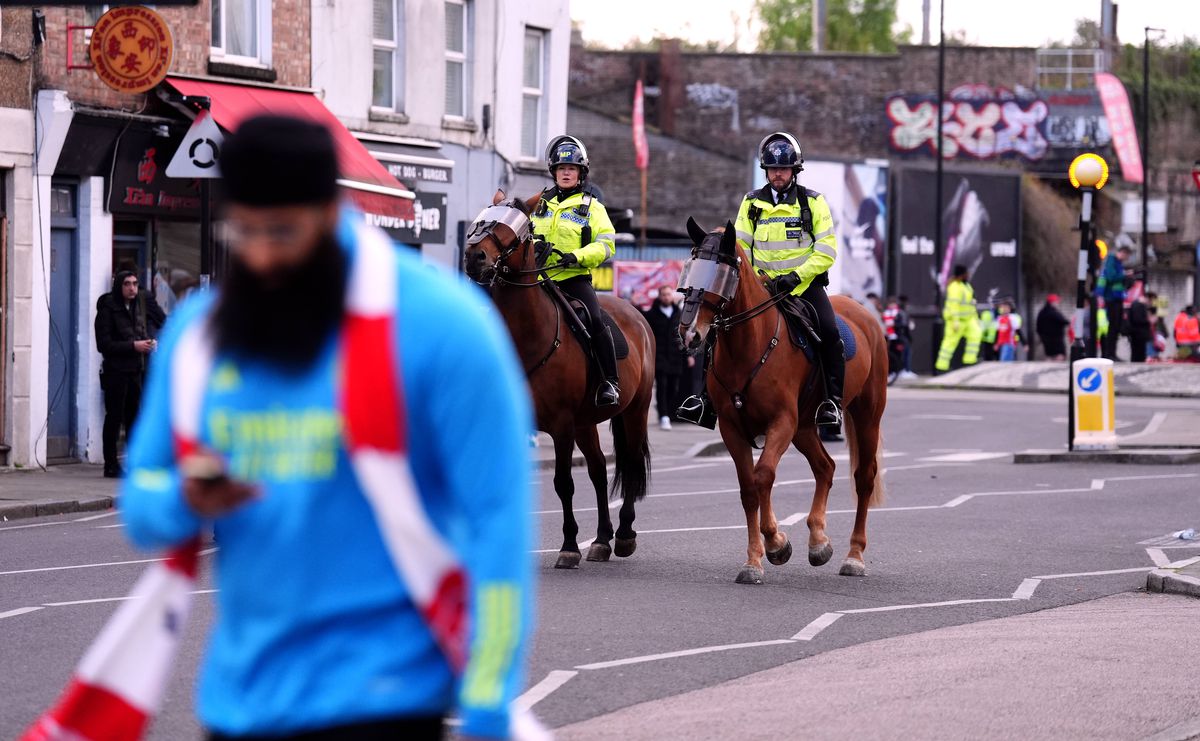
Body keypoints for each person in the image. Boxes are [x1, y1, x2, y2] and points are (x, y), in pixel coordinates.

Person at [120, 115, 534, 741]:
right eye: (245, 232)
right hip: (242, 704)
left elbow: (498, 526)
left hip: (386, 702)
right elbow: (142, 505)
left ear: (331, 211)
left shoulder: (446, 325)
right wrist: (186, 495)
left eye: (282, 232)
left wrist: (489, 704)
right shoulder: (203, 335)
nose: (261, 254)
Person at [737, 131, 843, 432]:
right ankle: (706, 400)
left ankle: (831, 402)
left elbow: (826, 250)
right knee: (722, 328)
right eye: (772, 169)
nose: (777, 174)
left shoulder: (813, 203)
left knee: (829, 332)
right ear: (765, 171)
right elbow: (741, 248)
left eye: (783, 169)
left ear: (795, 170)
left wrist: (795, 276)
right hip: (763, 291)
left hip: (803, 289)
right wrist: (757, 279)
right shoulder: (751, 203)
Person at [531, 134, 620, 407]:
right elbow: (525, 235)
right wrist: (536, 247)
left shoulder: (593, 207)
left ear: (581, 173)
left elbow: (607, 246)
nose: (566, 173)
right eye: (561, 168)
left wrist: (576, 256)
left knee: (594, 319)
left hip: (573, 279)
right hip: (538, 281)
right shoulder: (541, 203)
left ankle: (610, 382)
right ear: (554, 172)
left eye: (571, 168)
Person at [94, 269, 165, 477]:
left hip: (136, 369)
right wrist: (133, 346)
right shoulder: (108, 309)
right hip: (116, 371)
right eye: (127, 284)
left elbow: (141, 331)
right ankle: (110, 463)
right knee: (114, 418)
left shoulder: (137, 307)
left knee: (134, 418)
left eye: (135, 283)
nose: (132, 288)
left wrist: (147, 342)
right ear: (119, 286)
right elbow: (104, 345)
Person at [643, 285, 685, 430]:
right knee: (662, 385)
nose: (666, 297)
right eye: (664, 295)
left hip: (675, 357)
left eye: (668, 294)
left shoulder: (678, 313)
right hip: (658, 356)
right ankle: (664, 415)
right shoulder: (651, 314)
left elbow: (682, 335)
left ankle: (667, 410)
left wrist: (687, 354)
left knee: (673, 388)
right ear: (659, 296)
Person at [935, 264, 982, 373]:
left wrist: (975, 319)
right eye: (967, 273)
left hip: (969, 319)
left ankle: (969, 361)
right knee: (949, 343)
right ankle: (941, 367)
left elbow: (970, 304)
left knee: (976, 334)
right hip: (956, 320)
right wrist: (955, 321)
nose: (968, 275)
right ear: (962, 274)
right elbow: (953, 306)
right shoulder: (954, 287)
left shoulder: (966, 286)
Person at [1096, 245, 1131, 360]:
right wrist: (1125, 274)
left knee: (1116, 326)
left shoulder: (1118, 263)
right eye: (1126, 256)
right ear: (1122, 253)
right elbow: (1111, 277)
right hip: (1111, 298)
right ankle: (1109, 354)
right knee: (1113, 326)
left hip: (1117, 298)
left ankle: (1112, 353)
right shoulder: (1112, 260)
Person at [881, 296, 916, 380]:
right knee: (897, 355)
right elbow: (888, 323)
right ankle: (896, 371)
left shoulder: (897, 312)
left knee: (903, 354)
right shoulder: (890, 313)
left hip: (896, 336)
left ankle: (903, 370)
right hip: (892, 337)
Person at [1035, 293, 1069, 361]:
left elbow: (1038, 326)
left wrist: (1041, 336)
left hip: (1046, 339)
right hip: (1056, 340)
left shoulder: (1042, 312)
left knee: (1049, 355)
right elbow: (1064, 321)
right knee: (1059, 355)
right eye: (1056, 302)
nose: (1057, 304)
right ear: (1052, 302)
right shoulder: (1053, 312)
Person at [1126, 292, 1153, 363]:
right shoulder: (1138, 305)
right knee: (1138, 355)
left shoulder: (1139, 305)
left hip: (1139, 334)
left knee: (1140, 354)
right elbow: (1137, 319)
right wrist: (1148, 320)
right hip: (1138, 334)